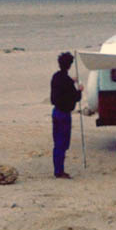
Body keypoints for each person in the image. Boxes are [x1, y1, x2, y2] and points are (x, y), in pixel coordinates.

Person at [49, 51, 82, 179]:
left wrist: (71, 81)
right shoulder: (67, 81)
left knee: (57, 142)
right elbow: (75, 97)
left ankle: (57, 169)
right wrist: (79, 90)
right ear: (69, 65)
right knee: (62, 143)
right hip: (64, 114)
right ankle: (59, 171)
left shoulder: (56, 77)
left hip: (56, 112)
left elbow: (61, 88)